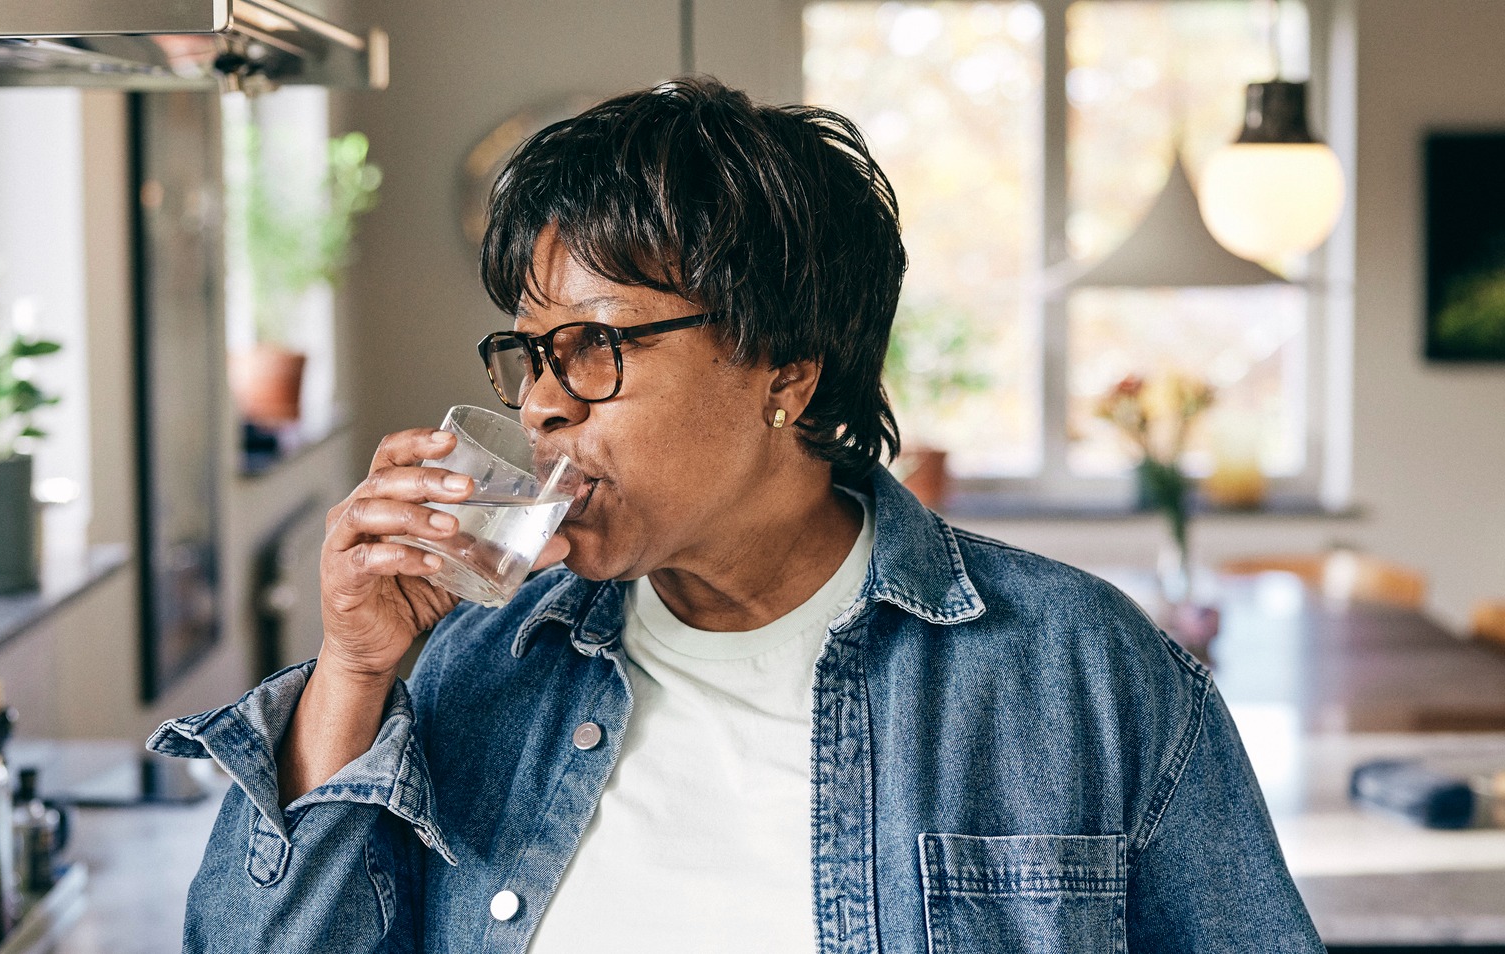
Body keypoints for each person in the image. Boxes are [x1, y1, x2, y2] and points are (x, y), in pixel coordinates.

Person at [150, 77, 1323, 953]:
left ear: (785, 372)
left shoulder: (1079, 672)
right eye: (530, 353)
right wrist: (352, 677)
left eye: (596, 347)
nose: (543, 406)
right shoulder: (473, 660)